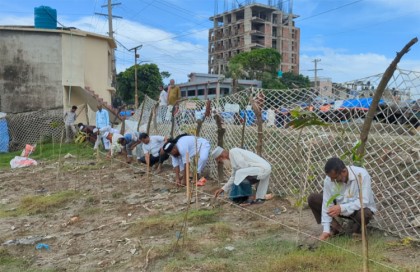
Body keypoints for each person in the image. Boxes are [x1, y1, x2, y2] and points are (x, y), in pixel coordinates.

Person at [307, 157, 377, 241]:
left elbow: (364, 201)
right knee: (313, 199)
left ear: (344, 171)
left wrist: (342, 207)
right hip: (339, 209)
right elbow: (327, 203)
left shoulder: (361, 174)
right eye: (331, 178)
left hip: (357, 211)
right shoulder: (330, 179)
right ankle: (335, 228)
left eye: (335, 178)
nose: (332, 181)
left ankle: (356, 231)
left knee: (365, 213)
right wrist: (326, 230)